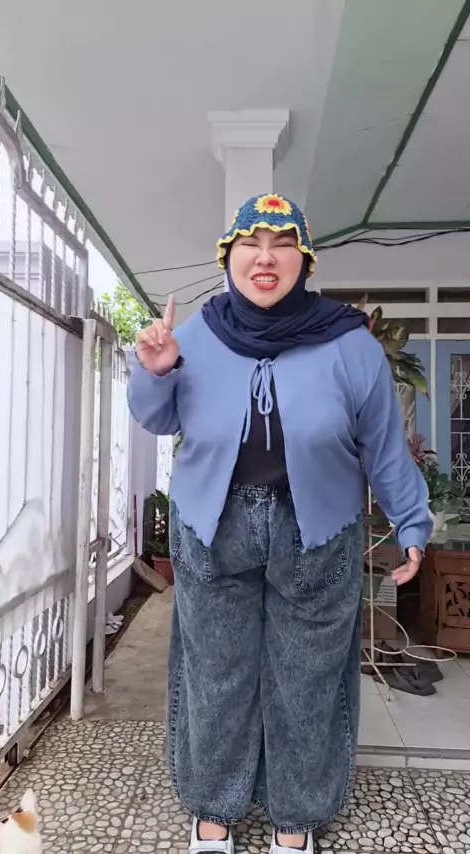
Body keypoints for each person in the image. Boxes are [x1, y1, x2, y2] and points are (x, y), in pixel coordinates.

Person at [127, 194, 431, 854]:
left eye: (283, 244)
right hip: (212, 527)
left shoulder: (350, 344)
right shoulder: (196, 335)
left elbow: (383, 445)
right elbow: (156, 417)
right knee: (217, 672)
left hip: (317, 530)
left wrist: (411, 521)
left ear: (305, 259)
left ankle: (296, 818)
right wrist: (155, 372)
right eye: (251, 244)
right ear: (228, 257)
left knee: (307, 676)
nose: (265, 258)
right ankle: (214, 809)